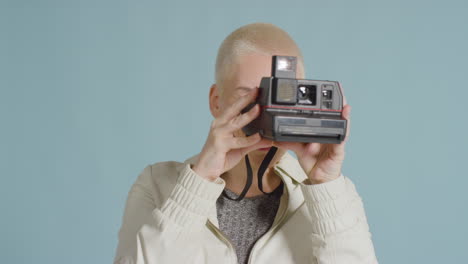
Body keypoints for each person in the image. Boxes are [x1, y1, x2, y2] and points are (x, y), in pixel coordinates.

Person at [114, 23, 378, 264]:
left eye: (280, 98)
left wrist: (325, 187)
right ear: (216, 100)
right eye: (251, 99)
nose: (266, 116)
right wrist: (199, 181)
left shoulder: (335, 196)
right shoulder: (157, 186)